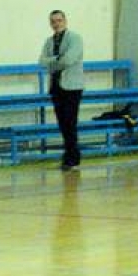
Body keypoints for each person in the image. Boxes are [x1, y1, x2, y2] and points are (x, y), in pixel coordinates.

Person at [39, 10, 84, 170]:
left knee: (70, 122)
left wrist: (55, 61)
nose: (56, 23)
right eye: (53, 21)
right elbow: (42, 61)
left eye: (59, 20)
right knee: (62, 123)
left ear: (65, 21)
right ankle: (68, 155)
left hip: (72, 87)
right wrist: (57, 59)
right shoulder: (49, 41)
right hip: (56, 87)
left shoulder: (75, 38)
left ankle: (73, 158)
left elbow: (69, 59)